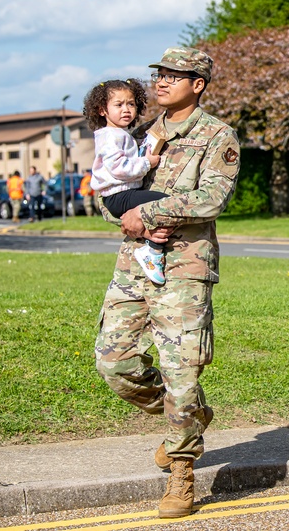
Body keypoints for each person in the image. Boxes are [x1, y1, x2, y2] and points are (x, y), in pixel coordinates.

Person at [94, 47, 240, 519]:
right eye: (158, 74)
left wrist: (151, 213)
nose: (160, 81)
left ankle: (181, 472)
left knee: (183, 371)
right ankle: (189, 414)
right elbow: (109, 192)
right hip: (134, 264)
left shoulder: (217, 135)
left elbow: (212, 198)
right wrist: (128, 218)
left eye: (174, 75)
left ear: (197, 83)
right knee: (113, 361)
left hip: (185, 267)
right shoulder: (138, 133)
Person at [84, 80, 169, 284]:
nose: (126, 110)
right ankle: (152, 251)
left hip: (121, 194)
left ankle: (152, 246)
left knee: (161, 208)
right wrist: (147, 163)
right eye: (118, 104)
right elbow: (119, 168)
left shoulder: (120, 134)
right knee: (166, 202)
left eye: (131, 104)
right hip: (119, 196)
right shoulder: (111, 136)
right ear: (102, 110)